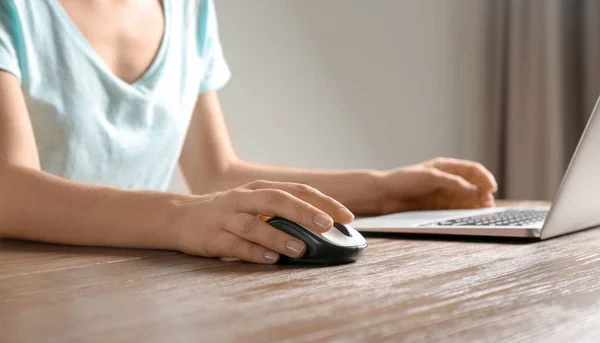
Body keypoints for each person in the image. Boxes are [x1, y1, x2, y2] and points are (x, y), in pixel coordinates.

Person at [0, 0, 497, 264]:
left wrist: (383, 190)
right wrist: (182, 221)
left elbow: (216, 172)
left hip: (133, 287)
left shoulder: (187, 7)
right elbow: (9, 190)